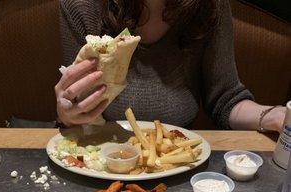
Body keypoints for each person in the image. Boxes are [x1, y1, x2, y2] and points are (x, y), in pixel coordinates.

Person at [55, 0, 286, 131]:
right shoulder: (81, 6)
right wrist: (68, 112)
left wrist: (275, 116)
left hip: (182, 168)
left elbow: (226, 99)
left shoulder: (210, 5)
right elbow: (77, 107)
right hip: (103, 162)